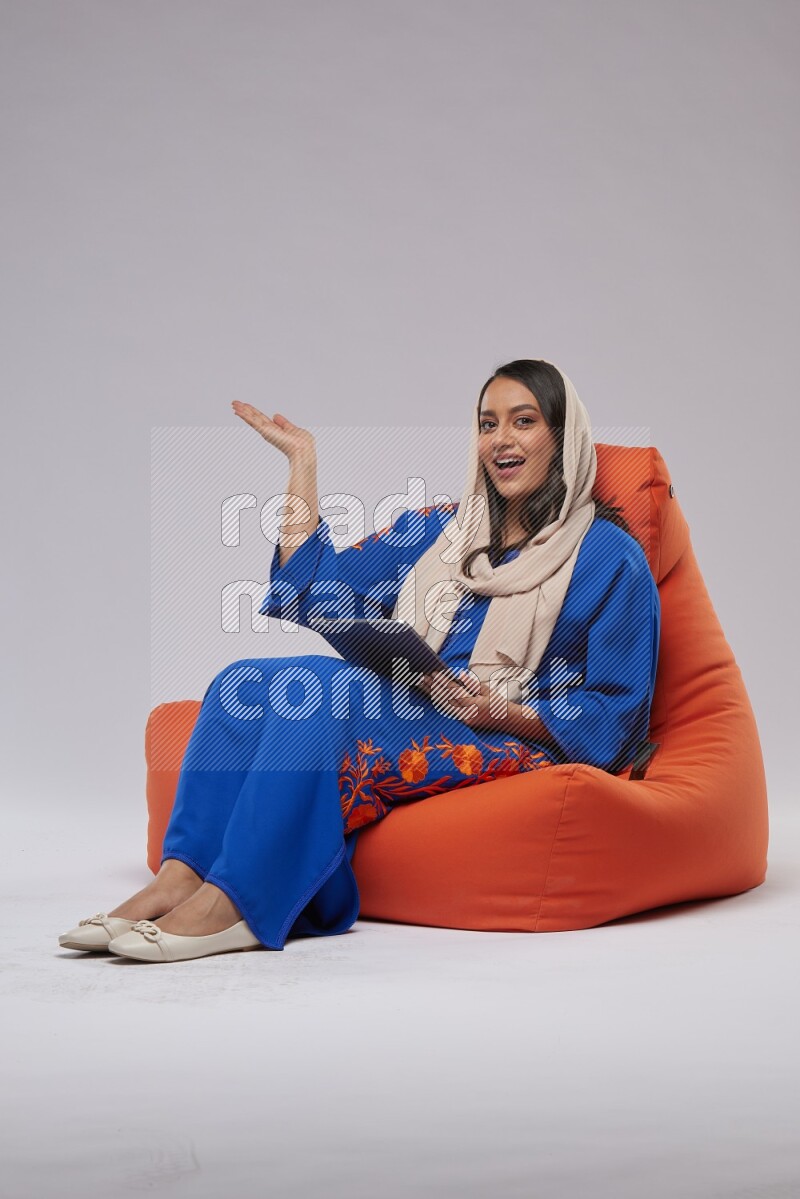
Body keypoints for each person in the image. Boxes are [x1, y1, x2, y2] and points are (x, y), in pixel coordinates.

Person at [58, 359, 661, 963]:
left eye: (523, 421)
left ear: (562, 437)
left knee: (319, 692)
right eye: (487, 423)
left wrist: (507, 711)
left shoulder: (611, 558)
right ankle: (179, 877)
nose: (500, 439)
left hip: (512, 737)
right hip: (418, 703)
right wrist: (302, 465)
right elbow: (319, 586)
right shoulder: (444, 532)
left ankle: (237, 904)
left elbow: (618, 714)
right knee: (241, 680)